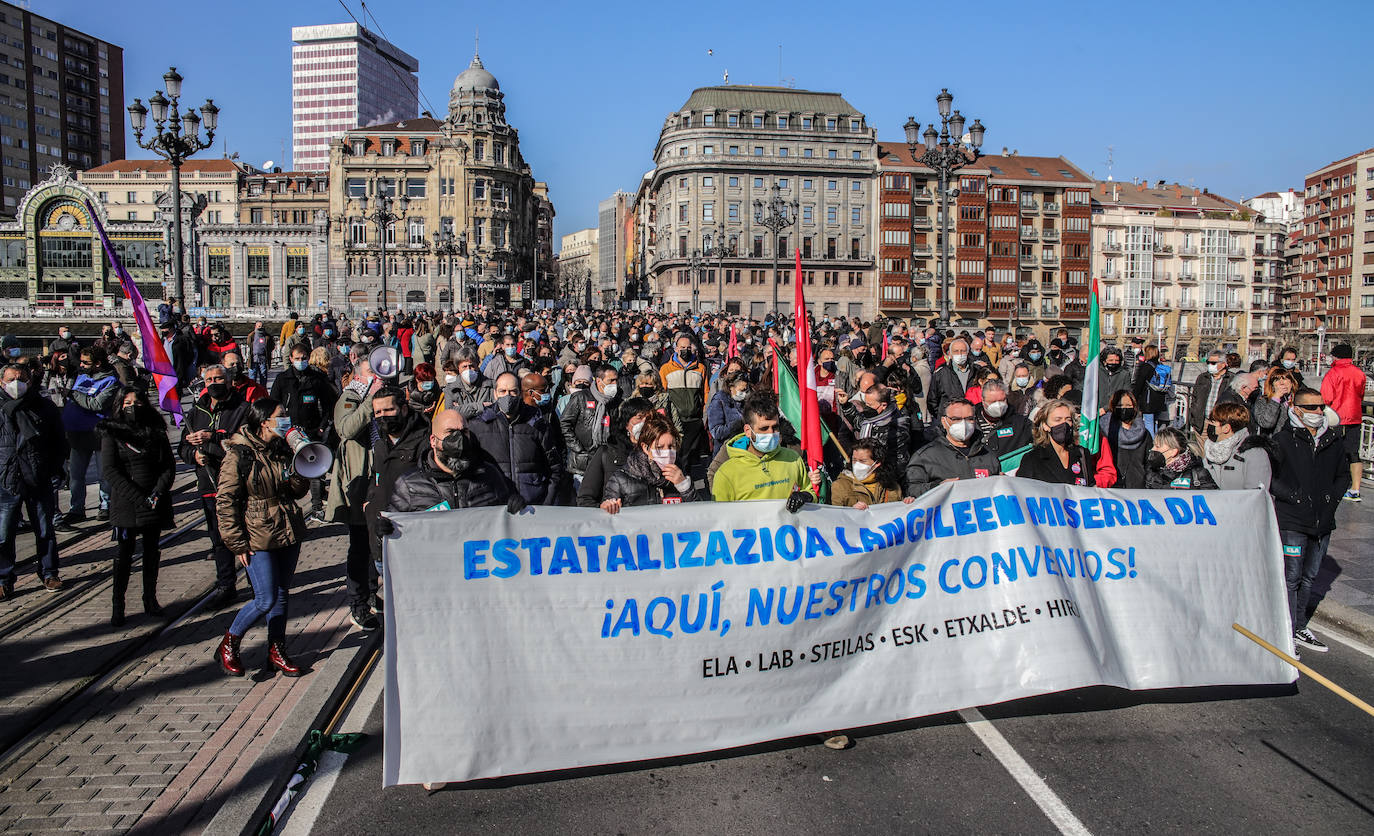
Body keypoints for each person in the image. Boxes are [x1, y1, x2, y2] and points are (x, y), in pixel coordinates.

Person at [214, 398, 311, 678]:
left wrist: (299, 462)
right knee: (265, 598)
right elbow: (226, 501)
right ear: (264, 421)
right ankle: (229, 643)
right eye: (281, 415)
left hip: (286, 528)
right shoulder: (239, 455)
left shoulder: (281, 448)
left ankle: (276, 651)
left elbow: (297, 491)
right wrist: (236, 542)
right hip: (256, 533)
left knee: (281, 594)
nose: (286, 419)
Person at [1269, 387, 1350, 653]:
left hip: (1322, 521)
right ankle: (1287, 628)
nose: (1318, 412)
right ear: (1297, 409)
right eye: (1312, 407)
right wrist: (1293, 497)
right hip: (1292, 520)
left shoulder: (1333, 440)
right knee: (1291, 576)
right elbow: (1271, 477)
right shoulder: (1282, 439)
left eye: (1321, 407)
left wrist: (1332, 500)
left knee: (1310, 576)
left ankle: (1300, 625)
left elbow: (1343, 476)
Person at [99, 387, 175, 626]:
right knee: (124, 554)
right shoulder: (112, 432)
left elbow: (168, 466)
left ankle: (150, 598)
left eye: (137, 402)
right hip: (127, 503)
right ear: (120, 405)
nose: (132, 407)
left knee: (152, 551)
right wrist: (138, 496)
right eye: (127, 402)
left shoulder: (156, 431)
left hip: (154, 500)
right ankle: (118, 604)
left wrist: (157, 492)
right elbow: (111, 471)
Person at [179, 363, 250, 608]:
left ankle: (255, 581)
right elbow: (183, 447)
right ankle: (225, 584)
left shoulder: (242, 408)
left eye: (218, 379)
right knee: (218, 537)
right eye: (209, 380)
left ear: (229, 381)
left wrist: (213, 438)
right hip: (208, 481)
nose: (213, 384)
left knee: (244, 532)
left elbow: (245, 441)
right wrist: (193, 456)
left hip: (237, 482)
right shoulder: (196, 410)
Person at [324, 358, 383, 631]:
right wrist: (370, 401)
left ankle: (371, 593)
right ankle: (357, 604)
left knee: (373, 543)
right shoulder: (350, 397)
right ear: (360, 376)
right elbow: (346, 429)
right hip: (357, 482)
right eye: (372, 371)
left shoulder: (376, 397)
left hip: (375, 477)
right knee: (359, 546)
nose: (378, 376)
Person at [0, 364, 67, 598]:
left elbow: (59, 441)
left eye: (21, 378)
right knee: (3, 533)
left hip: (38, 477)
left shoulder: (43, 406)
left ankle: (49, 572)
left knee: (45, 529)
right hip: (7, 480)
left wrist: (56, 468)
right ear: (1, 382)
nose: (16, 383)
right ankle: (3, 579)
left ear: (29, 381)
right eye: (11, 379)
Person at [386, 408, 516, 514]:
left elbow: (508, 522)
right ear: (433, 441)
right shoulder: (409, 485)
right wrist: (386, 531)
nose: (459, 439)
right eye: (450, 432)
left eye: (463, 431)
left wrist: (516, 507)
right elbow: (395, 537)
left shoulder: (489, 475)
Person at [467, 372, 564, 505]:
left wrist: (547, 502)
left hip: (534, 507)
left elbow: (554, 468)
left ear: (519, 393)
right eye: (502, 391)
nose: (508, 396)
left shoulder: (537, 424)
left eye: (513, 391)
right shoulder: (479, 425)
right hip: (495, 508)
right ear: (495, 394)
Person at [712, 393, 819, 506]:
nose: (771, 433)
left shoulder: (793, 458)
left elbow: (809, 491)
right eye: (764, 428)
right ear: (748, 431)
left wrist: (807, 496)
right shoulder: (726, 473)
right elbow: (721, 517)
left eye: (775, 427)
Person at [270, 343, 338, 519]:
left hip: (312, 429)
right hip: (288, 431)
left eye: (304, 359)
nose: (301, 362)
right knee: (288, 472)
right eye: (297, 359)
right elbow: (273, 405)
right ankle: (287, 508)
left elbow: (329, 404)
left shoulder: (316, 378)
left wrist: (323, 426)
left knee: (316, 471)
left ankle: (316, 507)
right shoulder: (283, 379)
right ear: (291, 359)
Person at [61, 347, 120, 525]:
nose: (81, 365)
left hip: (99, 433)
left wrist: (73, 394)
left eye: (85, 362)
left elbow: (96, 404)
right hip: (77, 434)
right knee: (76, 475)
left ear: (97, 363)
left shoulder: (111, 381)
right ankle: (76, 508)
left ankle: (105, 505)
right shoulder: (80, 376)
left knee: (104, 473)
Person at [600, 412, 696, 512]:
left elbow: (699, 514)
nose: (667, 452)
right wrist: (608, 507)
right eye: (660, 447)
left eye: (671, 446)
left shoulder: (680, 475)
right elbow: (606, 517)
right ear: (645, 448)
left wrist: (684, 487)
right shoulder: (620, 479)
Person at [904, 399, 1001, 497]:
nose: (963, 423)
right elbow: (911, 489)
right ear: (944, 421)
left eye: (969, 418)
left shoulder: (987, 454)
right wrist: (937, 487)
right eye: (956, 419)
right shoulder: (925, 456)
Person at [1016, 399, 1116, 487]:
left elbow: (1089, 489)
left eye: (1068, 420)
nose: (1064, 424)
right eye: (1057, 420)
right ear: (1045, 426)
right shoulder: (1032, 458)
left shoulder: (1082, 455)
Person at [577, 398, 655, 508]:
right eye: (639, 418)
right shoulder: (607, 453)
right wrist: (603, 508)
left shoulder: (660, 453)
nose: (645, 423)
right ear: (626, 423)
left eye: (650, 419)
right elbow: (585, 498)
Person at [660, 333, 710, 481]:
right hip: (675, 419)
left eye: (688, 347)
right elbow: (662, 393)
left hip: (694, 418)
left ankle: (685, 479)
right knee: (676, 452)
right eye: (682, 347)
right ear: (676, 349)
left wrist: (704, 412)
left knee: (689, 452)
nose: (685, 350)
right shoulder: (665, 369)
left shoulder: (700, 368)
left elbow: (705, 392)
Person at [1321, 343, 1367, 501]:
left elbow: (1326, 398)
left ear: (1336, 356)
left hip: (1336, 417)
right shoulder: (1359, 373)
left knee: (1331, 449)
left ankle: (1329, 483)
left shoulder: (1333, 373)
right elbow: (1360, 395)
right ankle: (1355, 489)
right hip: (1355, 416)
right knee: (1353, 452)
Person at [559, 363, 620, 481]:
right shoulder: (580, 397)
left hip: (607, 461)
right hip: (582, 463)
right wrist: (578, 448)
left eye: (616, 380)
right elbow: (565, 423)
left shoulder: (616, 403)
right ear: (598, 381)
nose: (615, 384)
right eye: (610, 380)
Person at [1202, 402, 1272, 491]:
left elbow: (1255, 495)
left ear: (1226, 428)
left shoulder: (1254, 453)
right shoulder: (1209, 450)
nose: (1209, 425)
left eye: (1213, 422)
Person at [830, 439, 915, 509]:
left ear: (877, 463)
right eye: (854, 460)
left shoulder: (892, 486)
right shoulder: (840, 486)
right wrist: (852, 512)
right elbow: (835, 519)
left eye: (862, 461)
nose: (857, 465)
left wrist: (907, 505)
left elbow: (899, 516)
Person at [1101, 389, 1152, 489]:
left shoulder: (1145, 434)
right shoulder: (1104, 432)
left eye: (1128, 405)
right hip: (1112, 487)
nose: (1124, 408)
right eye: (1120, 405)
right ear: (1113, 407)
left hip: (1138, 488)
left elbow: (1149, 464)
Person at [1144, 426, 1217, 490]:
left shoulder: (1197, 474)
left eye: (1157, 446)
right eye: (1154, 445)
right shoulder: (1152, 472)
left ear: (1173, 452)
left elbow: (1213, 500)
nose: (1152, 449)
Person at [977, 380, 1032, 460]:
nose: (998, 405)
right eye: (993, 402)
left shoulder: (1020, 424)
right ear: (983, 400)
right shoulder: (972, 421)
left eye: (1002, 400)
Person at [925, 337, 974, 425]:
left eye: (963, 351)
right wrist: (942, 416)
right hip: (949, 421)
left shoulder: (976, 371)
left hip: (971, 419)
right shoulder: (941, 372)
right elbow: (932, 400)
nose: (960, 354)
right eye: (956, 351)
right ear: (950, 354)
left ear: (968, 352)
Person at [1187, 350, 1233, 433]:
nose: (1209, 365)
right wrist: (1194, 419)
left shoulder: (1232, 380)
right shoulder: (1203, 378)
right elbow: (1195, 398)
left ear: (1223, 364)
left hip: (1222, 424)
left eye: (1213, 363)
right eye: (1208, 362)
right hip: (1202, 423)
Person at [440, 347, 492, 418]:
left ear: (477, 365)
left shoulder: (490, 385)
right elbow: (450, 413)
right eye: (464, 367)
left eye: (471, 366)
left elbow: (494, 409)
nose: (468, 369)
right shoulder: (451, 389)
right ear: (458, 368)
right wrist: (481, 406)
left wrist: (461, 409)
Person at [1130, 344, 1170, 435]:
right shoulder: (1160, 366)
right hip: (1160, 399)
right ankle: (1156, 442)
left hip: (1148, 400)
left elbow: (1139, 383)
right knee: (1154, 422)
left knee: (1148, 423)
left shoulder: (1146, 366)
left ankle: (1151, 445)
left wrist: (1134, 397)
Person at [706, 372, 749, 446]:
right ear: (731, 388)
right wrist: (737, 424)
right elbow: (716, 432)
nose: (744, 393)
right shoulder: (719, 400)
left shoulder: (744, 402)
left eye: (746, 390)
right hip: (724, 448)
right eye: (741, 390)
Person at [1252, 367, 1296, 438]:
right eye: (1277, 380)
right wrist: (1276, 398)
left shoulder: (1299, 399)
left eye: (1284, 379)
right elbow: (1266, 424)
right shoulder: (1263, 401)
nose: (1281, 383)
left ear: (1291, 382)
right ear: (1272, 385)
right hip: (1274, 442)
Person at [1094, 347, 1133, 415]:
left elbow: (1126, 394)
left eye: (1116, 360)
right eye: (1111, 360)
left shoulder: (1124, 374)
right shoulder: (1096, 372)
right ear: (1104, 361)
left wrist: (1106, 408)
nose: (1114, 363)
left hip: (1116, 410)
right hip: (1097, 411)